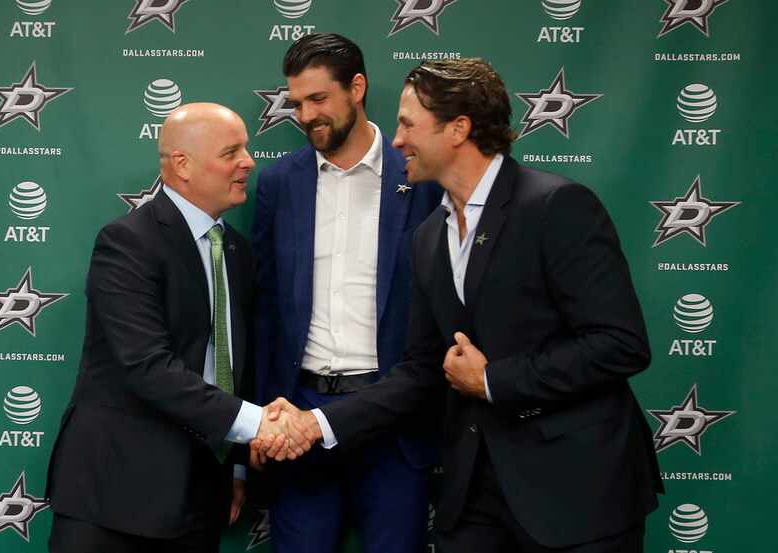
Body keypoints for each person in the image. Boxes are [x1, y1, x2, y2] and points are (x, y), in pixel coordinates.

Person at [261, 59, 664, 552]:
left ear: (458, 129)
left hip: (577, 492)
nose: (396, 140)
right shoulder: (429, 237)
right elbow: (422, 370)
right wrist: (316, 423)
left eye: (408, 124)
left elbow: (620, 344)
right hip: (474, 495)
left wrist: (494, 380)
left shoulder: (556, 206)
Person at [45, 103, 308, 553]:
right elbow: (146, 366)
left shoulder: (238, 253)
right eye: (232, 152)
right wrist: (257, 423)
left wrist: (237, 468)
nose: (249, 161)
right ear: (182, 165)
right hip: (114, 498)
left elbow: (233, 364)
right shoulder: (127, 242)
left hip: (202, 495)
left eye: (246, 148)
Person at [252, 34, 443, 553]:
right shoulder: (279, 183)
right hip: (300, 418)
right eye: (297, 103)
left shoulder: (423, 176)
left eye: (319, 99)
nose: (306, 114)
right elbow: (265, 310)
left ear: (356, 88)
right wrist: (261, 418)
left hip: (393, 419)